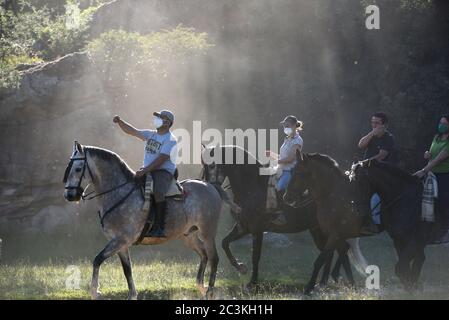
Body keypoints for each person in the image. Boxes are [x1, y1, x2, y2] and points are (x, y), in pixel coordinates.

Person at [113, 109, 178, 238]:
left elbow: (161, 160)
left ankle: (160, 227)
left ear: (167, 122)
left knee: (158, 192)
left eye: (160, 118)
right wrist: (120, 122)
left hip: (163, 172)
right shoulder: (151, 134)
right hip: (148, 169)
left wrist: (144, 170)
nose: (156, 120)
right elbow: (133, 131)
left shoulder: (171, 139)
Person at [357, 112, 396, 234]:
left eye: (377, 123)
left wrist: (364, 162)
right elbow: (361, 145)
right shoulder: (372, 135)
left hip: (381, 173)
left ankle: (373, 223)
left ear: (385, 125)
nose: (374, 125)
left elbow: (381, 156)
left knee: (372, 196)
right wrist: (371, 133)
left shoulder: (389, 138)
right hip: (367, 171)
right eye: (372, 122)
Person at [414, 114, 449, 224]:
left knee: (442, 201)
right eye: (440, 123)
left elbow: (438, 159)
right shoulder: (436, 137)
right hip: (432, 174)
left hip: (444, 176)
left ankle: (445, 228)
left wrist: (423, 171)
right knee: (424, 199)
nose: (441, 125)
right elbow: (432, 155)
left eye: (444, 124)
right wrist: (427, 154)